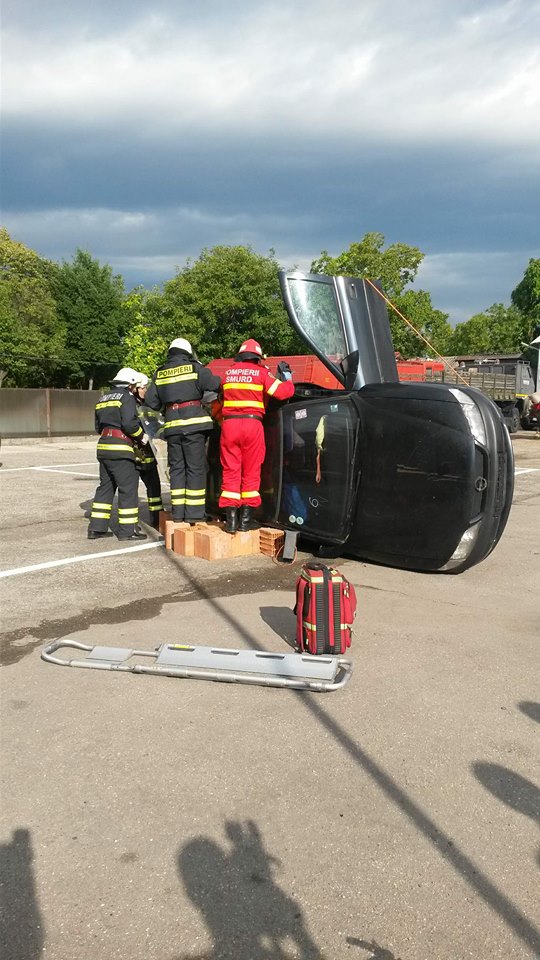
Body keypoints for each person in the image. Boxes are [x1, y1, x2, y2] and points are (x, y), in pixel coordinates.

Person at [218, 339, 294, 533]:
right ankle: (246, 521)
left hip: (230, 425)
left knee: (231, 470)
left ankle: (231, 522)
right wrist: (287, 378)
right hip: (252, 425)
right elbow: (283, 393)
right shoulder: (261, 373)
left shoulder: (228, 373)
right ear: (257, 357)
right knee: (251, 471)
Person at [144, 338, 221, 524]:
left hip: (172, 427)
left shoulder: (160, 373)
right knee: (195, 468)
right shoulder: (195, 368)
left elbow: (151, 401)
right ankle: (195, 514)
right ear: (187, 352)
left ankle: (177, 513)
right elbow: (215, 384)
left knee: (177, 469)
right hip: (194, 426)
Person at [87, 368, 150, 541]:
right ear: (130, 384)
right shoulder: (126, 397)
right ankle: (127, 531)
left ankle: (96, 528)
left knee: (105, 488)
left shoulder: (103, 398)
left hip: (103, 447)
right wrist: (141, 437)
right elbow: (129, 424)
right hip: (120, 448)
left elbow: (98, 427)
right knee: (128, 489)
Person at [131, 372, 164, 529]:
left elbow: (156, 423)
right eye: (143, 387)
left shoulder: (149, 405)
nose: (146, 390)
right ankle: (130, 523)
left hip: (149, 454)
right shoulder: (130, 404)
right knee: (130, 490)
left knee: (154, 489)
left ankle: (157, 519)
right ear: (136, 389)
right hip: (134, 454)